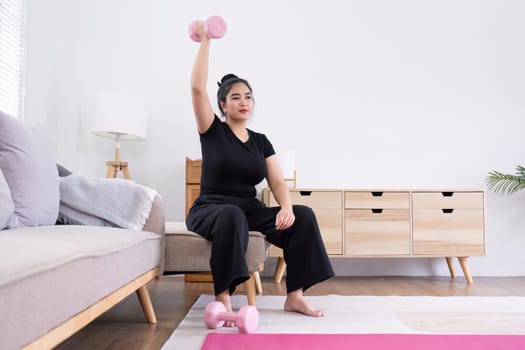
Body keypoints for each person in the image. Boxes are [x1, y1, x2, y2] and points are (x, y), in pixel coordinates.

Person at [186, 23, 335, 319]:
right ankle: (223, 299)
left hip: (249, 209)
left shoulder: (260, 141)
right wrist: (206, 40)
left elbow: (277, 180)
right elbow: (196, 87)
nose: (244, 102)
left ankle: (295, 296)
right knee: (232, 214)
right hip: (213, 207)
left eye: (248, 97)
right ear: (223, 105)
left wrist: (287, 207)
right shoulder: (212, 130)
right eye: (236, 97)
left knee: (304, 216)